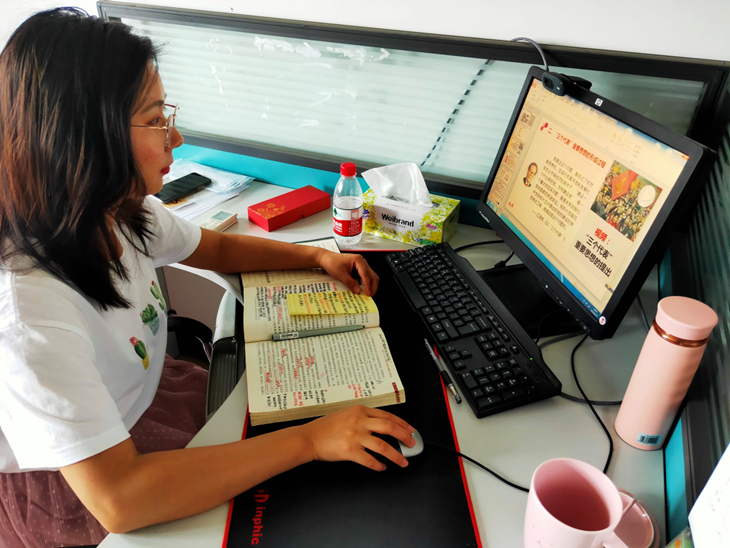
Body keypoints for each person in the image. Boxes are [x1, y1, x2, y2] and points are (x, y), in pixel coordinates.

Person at [0, 8, 415, 547]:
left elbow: (212, 246)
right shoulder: (30, 314)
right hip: (81, 476)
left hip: (146, 399)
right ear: (83, 139)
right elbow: (122, 499)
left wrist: (316, 259)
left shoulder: (119, 210)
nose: (174, 136)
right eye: (155, 119)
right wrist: (311, 440)